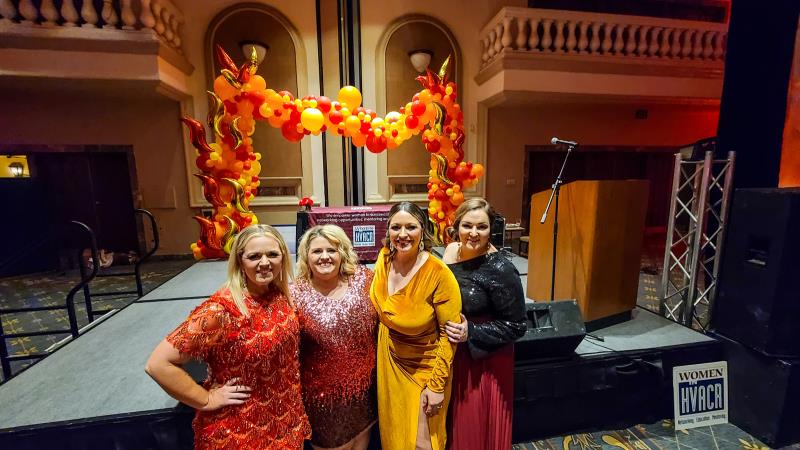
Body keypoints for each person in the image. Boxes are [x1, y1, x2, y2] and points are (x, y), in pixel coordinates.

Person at [145, 224, 310, 450]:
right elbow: (158, 364)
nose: (265, 262)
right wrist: (206, 399)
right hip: (240, 430)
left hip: (285, 421)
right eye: (254, 256)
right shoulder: (222, 310)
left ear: (283, 257)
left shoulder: (281, 296)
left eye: (272, 254)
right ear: (240, 261)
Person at [369, 201, 462, 450]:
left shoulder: (438, 273)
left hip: (423, 370)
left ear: (423, 229)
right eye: (396, 227)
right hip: (389, 365)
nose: (402, 234)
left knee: (422, 444)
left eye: (410, 227)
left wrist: (436, 386)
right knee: (394, 437)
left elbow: (450, 335)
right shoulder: (383, 260)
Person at [442, 198, 527, 450]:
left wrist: (472, 332)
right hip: (455, 351)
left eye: (482, 227)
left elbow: (517, 325)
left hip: (484, 358)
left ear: (492, 229)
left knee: (473, 427)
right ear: (457, 226)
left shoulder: (501, 268)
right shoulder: (450, 251)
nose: (474, 233)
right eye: (467, 225)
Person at [290, 224, 377, 450]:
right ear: (306, 257)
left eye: (331, 250)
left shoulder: (365, 280)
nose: (325, 257)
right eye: (317, 251)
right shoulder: (294, 294)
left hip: (365, 397)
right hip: (324, 404)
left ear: (343, 253)